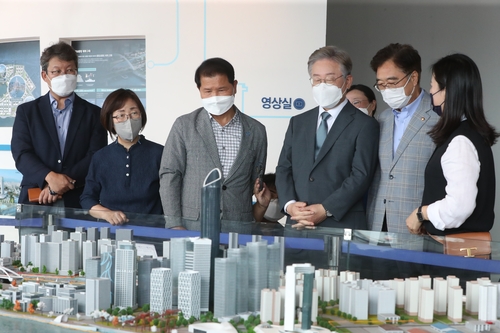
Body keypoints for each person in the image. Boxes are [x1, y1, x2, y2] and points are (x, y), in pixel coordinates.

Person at [276, 46, 379, 229]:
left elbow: (361, 176)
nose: (322, 85)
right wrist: (290, 205)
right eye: (317, 80)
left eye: (330, 79)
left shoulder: (364, 125)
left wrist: (325, 209)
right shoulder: (298, 122)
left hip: (341, 224)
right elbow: (284, 168)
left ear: (348, 81)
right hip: (297, 224)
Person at [159, 57, 267, 228]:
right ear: (199, 89)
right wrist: (174, 224)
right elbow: (170, 175)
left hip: (238, 226)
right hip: (193, 226)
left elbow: (256, 181)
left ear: (235, 86)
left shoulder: (256, 130)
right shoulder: (184, 125)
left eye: (222, 89)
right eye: (208, 91)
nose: (215, 97)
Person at [406, 54, 498, 236]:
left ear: (447, 91)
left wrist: (421, 213)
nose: (430, 92)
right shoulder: (469, 134)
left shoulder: (461, 142)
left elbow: (459, 206)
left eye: (433, 85)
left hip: (452, 253)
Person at [11, 41, 107, 208]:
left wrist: (59, 185)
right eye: (56, 71)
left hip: (79, 199)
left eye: (69, 70)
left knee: (82, 236)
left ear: (76, 73)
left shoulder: (94, 113)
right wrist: (49, 177)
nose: (64, 76)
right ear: (44, 75)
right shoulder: (27, 112)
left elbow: (95, 156)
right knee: (32, 235)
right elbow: (22, 153)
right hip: (36, 198)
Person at [366, 43, 440, 235]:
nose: (386, 90)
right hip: (377, 225)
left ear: (413, 77)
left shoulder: (440, 118)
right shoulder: (382, 119)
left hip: (418, 227)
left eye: (392, 83)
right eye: (381, 84)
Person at [80, 89, 164, 225]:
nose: (128, 119)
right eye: (121, 115)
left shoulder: (160, 153)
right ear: (111, 121)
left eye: (134, 113)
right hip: (111, 233)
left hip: (152, 232)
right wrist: (106, 213)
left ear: (141, 115)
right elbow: (87, 198)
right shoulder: (100, 157)